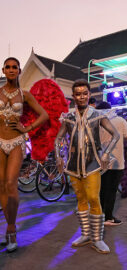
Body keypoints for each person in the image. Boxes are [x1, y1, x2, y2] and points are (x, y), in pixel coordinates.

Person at [55, 79, 120, 254]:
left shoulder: (98, 115)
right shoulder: (68, 118)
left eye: (85, 93)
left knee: (93, 198)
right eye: (78, 94)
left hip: (92, 163)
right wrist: (59, 156)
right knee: (81, 200)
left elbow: (116, 134)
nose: (82, 97)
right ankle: (85, 234)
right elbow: (58, 138)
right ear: (73, 96)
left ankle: (97, 238)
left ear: (89, 95)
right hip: (73, 164)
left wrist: (106, 154)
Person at [0, 57, 49, 252]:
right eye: (8, 67)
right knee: (2, 187)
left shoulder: (25, 95)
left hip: (16, 143)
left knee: (11, 184)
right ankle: (7, 229)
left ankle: (12, 229)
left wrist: (26, 128)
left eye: (15, 67)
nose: (11, 70)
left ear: (19, 71)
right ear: (3, 70)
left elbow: (44, 115)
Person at [96, 101, 127, 226]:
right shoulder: (120, 120)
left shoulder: (96, 122)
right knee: (111, 190)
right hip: (116, 162)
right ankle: (108, 217)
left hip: (100, 162)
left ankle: (99, 215)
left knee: (101, 190)